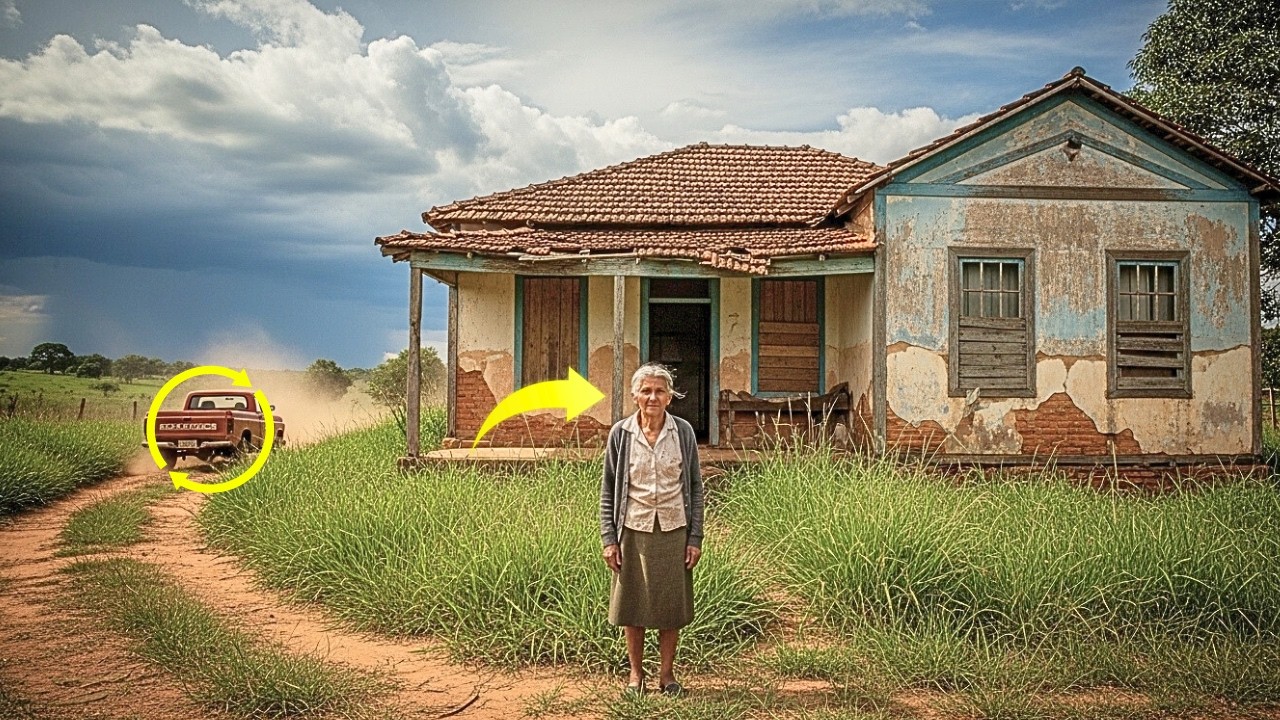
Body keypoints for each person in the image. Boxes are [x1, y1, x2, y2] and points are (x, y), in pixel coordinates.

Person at [599, 363, 704, 697]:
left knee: (670, 606)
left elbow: (696, 488)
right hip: (633, 528)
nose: (653, 397)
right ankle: (635, 675)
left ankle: (667, 676)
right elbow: (608, 490)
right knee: (634, 605)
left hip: (674, 529)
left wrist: (695, 537)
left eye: (660, 391)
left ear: (670, 397)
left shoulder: (683, 433)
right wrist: (609, 539)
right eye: (646, 391)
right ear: (635, 396)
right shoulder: (621, 434)